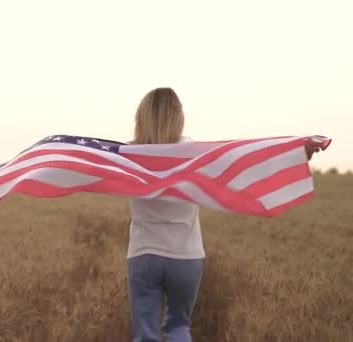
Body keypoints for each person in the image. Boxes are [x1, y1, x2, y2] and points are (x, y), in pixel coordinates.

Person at [126, 87, 324, 342]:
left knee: (145, 336)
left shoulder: (128, 153)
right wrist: (297, 152)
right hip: (186, 257)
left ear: (140, 118)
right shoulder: (193, 151)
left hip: (144, 254)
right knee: (178, 328)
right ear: (178, 117)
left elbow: (81, 159)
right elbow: (243, 157)